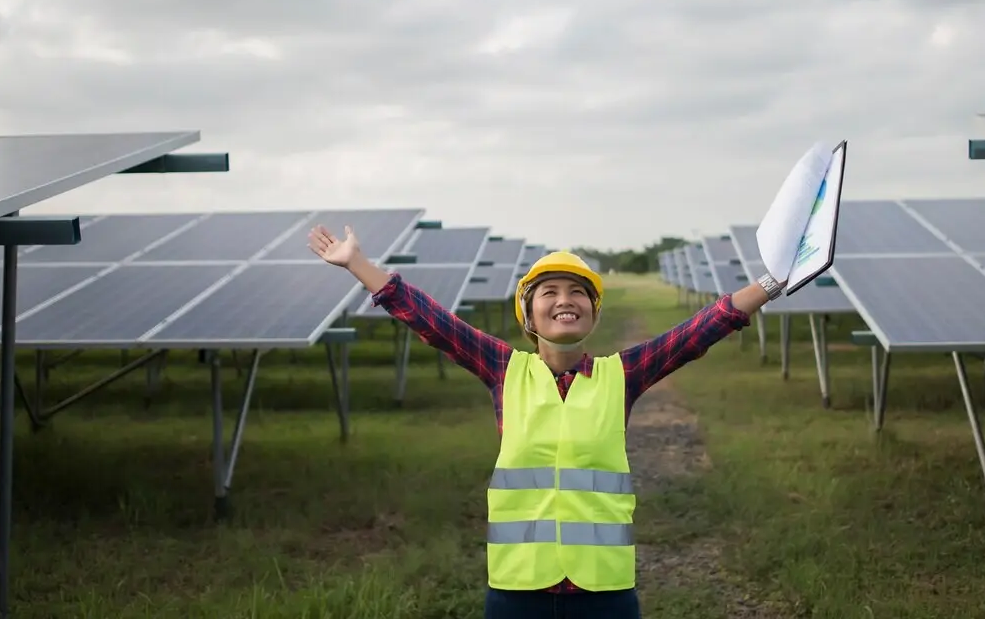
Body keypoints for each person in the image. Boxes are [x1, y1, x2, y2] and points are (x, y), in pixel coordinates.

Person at [308, 224, 783, 619]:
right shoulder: (504, 369)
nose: (564, 299)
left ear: (593, 313)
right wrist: (358, 265)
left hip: (605, 591)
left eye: (578, 292)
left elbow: (701, 329)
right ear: (529, 314)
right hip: (518, 588)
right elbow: (432, 322)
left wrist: (770, 284)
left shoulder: (622, 374)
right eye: (549, 292)